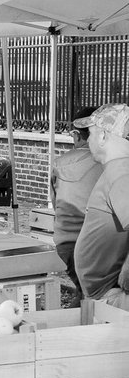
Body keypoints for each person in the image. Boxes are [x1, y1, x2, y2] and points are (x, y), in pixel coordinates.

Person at [73, 103, 129, 311]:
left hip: (114, 298)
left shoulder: (121, 173)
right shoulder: (119, 170)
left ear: (104, 136)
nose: (87, 140)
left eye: (90, 133)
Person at [50, 105, 101, 291]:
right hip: (97, 244)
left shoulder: (60, 163)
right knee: (96, 295)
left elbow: (57, 205)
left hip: (65, 244)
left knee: (89, 293)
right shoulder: (111, 163)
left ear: (77, 135)